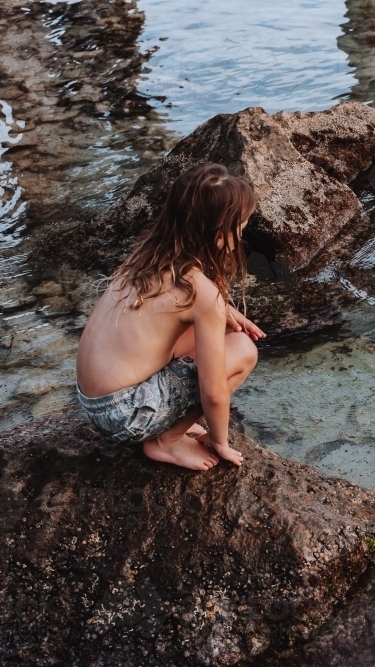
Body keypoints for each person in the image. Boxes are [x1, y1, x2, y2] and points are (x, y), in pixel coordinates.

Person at [75, 163, 265, 471]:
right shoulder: (203, 296)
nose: (241, 236)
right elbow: (214, 394)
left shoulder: (146, 254)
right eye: (240, 228)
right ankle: (168, 441)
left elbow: (162, 313)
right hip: (126, 416)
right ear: (220, 235)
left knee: (218, 338)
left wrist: (224, 311)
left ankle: (165, 423)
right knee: (243, 350)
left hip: (93, 401)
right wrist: (220, 442)